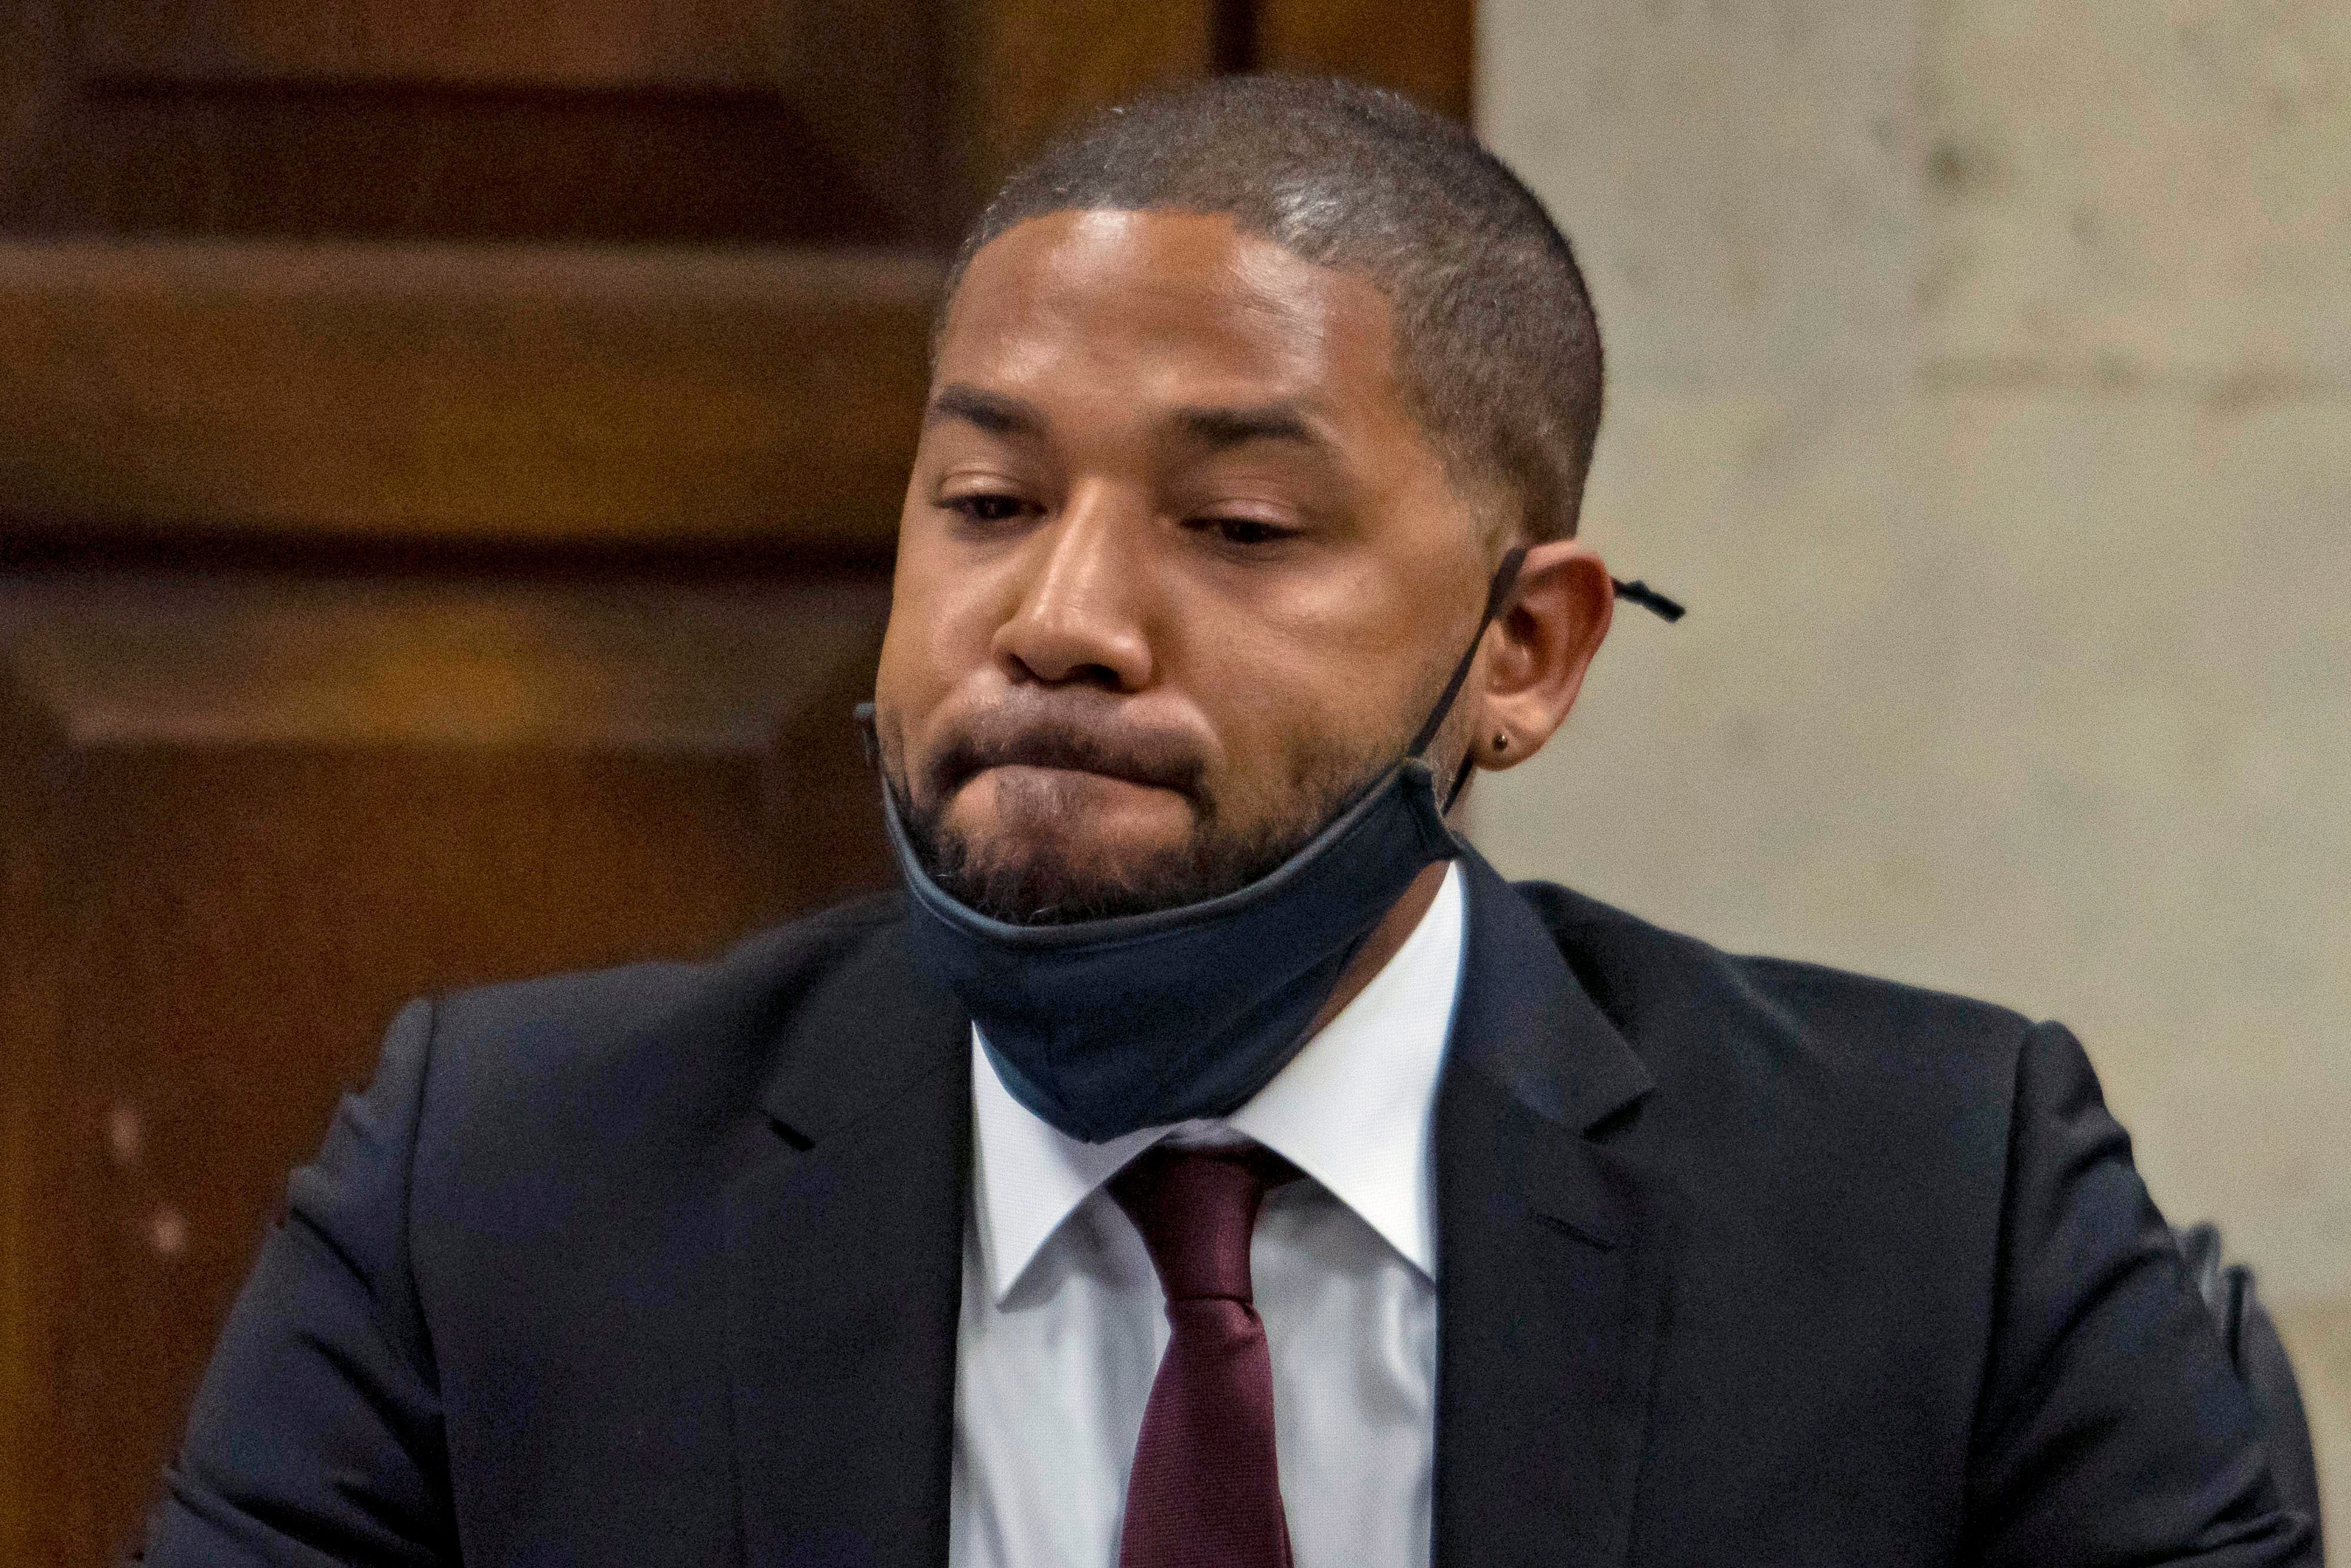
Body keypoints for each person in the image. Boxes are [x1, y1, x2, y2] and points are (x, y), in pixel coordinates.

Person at [145, 76, 2313, 1567]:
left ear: (1526, 652)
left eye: (1242, 523)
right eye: (984, 504)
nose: (1061, 620)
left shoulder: (1946, 1214)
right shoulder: (499, 1187)